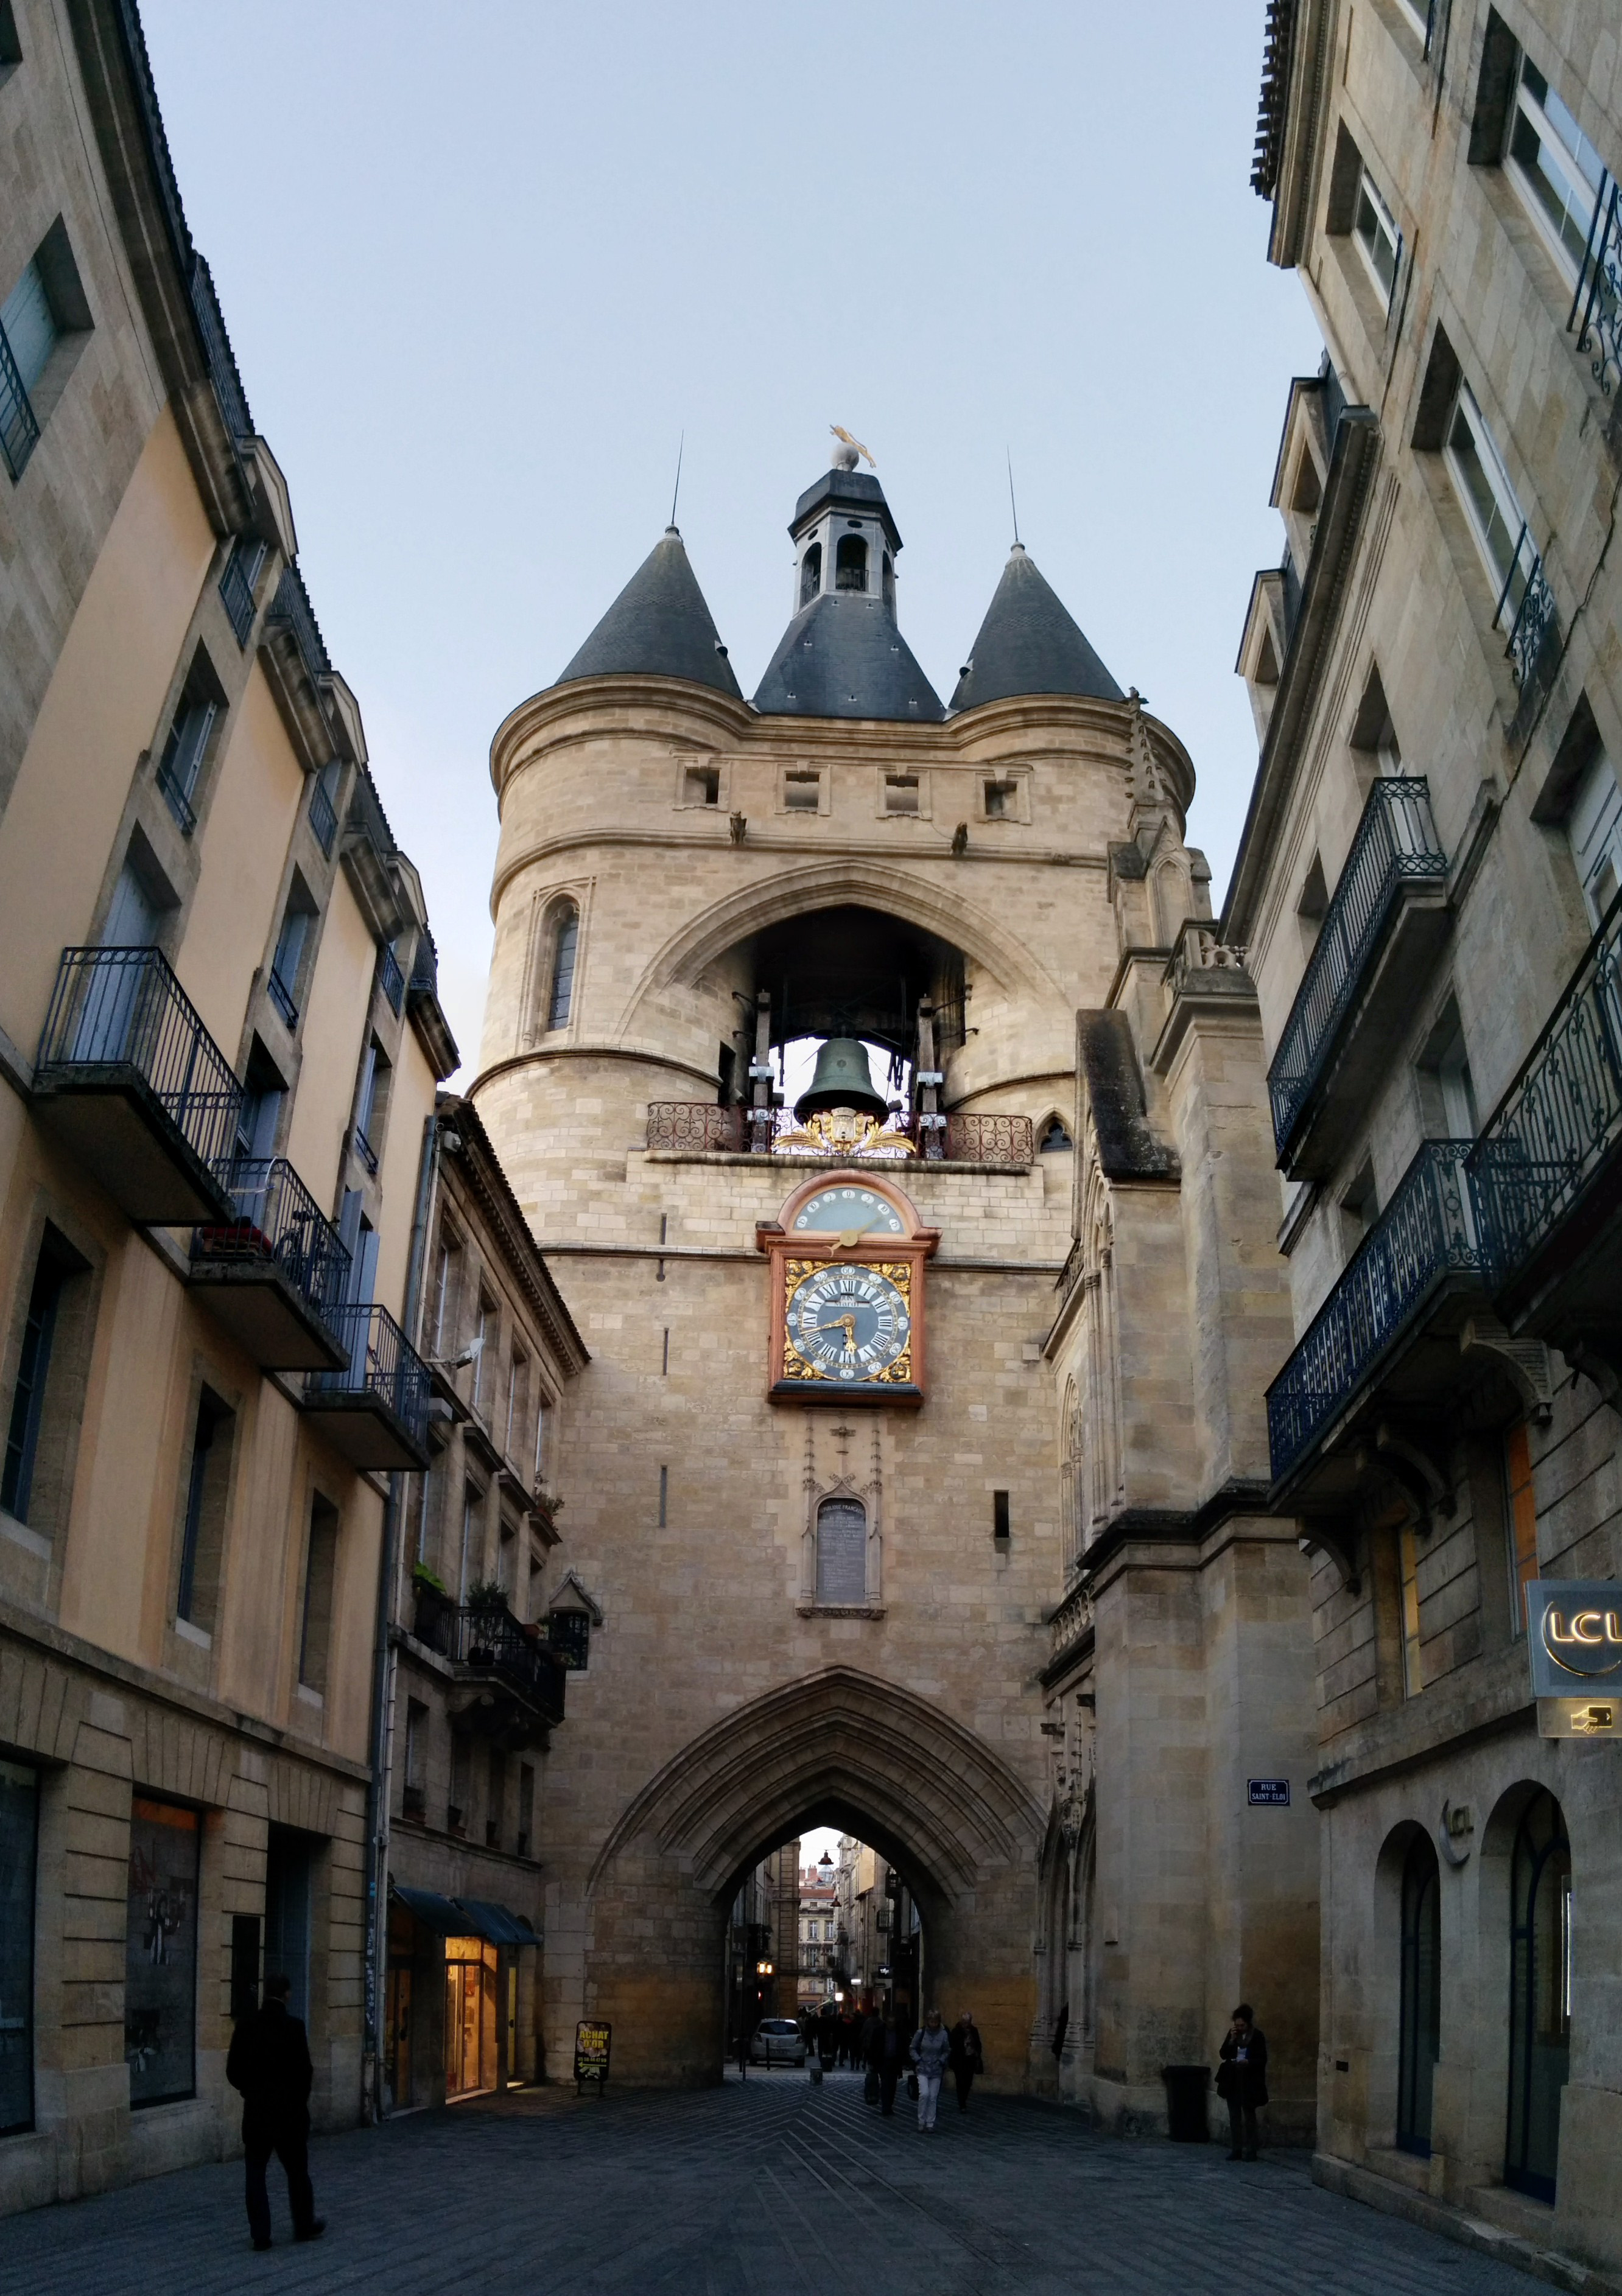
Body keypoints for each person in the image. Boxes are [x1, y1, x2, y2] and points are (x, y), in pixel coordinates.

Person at [225, 1973, 325, 2250]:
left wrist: (250, 2092)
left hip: (257, 2113)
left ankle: (261, 2234)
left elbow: (233, 2071)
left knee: (256, 2172)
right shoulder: (294, 2027)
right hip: (289, 2114)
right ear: (287, 1995)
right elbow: (305, 2072)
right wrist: (298, 2101)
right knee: (297, 2172)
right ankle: (303, 2224)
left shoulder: (246, 2026)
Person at [1215, 2003, 1268, 2161]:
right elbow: (1223, 2054)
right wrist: (1231, 2040)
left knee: (1249, 2117)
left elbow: (1262, 2059)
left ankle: (1252, 2150)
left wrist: (1249, 2063)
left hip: (1249, 2081)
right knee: (1234, 2117)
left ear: (1248, 2023)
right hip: (1233, 2080)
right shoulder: (1233, 2035)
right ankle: (1236, 2149)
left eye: (1242, 2025)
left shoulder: (1257, 2036)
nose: (1239, 2028)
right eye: (1237, 2025)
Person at [910, 2007, 951, 2132]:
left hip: (936, 2069)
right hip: (923, 2068)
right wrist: (918, 2060)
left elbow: (947, 2050)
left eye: (936, 2022)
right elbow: (912, 2048)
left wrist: (941, 2061)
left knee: (933, 2096)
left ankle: (930, 2123)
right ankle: (921, 2121)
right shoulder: (921, 2033)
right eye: (931, 2022)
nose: (934, 2024)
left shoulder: (943, 2034)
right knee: (924, 2094)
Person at [948, 2009, 984, 2112]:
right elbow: (952, 2045)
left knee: (968, 2082)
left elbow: (978, 2043)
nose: (965, 2024)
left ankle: (964, 2098)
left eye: (967, 2022)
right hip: (959, 2061)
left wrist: (977, 2052)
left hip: (970, 2060)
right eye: (963, 2022)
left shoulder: (974, 2031)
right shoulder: (956, 2031)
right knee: (960, 2082)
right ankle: (962, 2103)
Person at [874, 2008, 904, 2116]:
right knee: (886, 2083)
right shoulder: (879, 2031)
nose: (891, 2025)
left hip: (895, 2061)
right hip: (883, 2061)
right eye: (890, 2022)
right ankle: (886, 2106)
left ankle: (889, 2104)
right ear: (886, 2021)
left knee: (893, 2085)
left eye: (893, 2022)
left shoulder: (899, 2032)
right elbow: (874, 2046)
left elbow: (902, 2046)